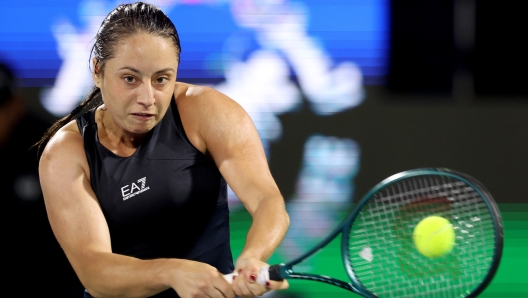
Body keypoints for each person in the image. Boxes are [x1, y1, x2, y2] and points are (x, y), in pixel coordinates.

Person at [35, 2, 290, 298]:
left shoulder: (208, 112)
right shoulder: (66, 152)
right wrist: (172, 272)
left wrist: (252, 258)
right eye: (130, 79)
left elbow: (267, 201)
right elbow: (95, 272)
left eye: (161, 79)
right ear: (97, 70)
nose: (147, 98)